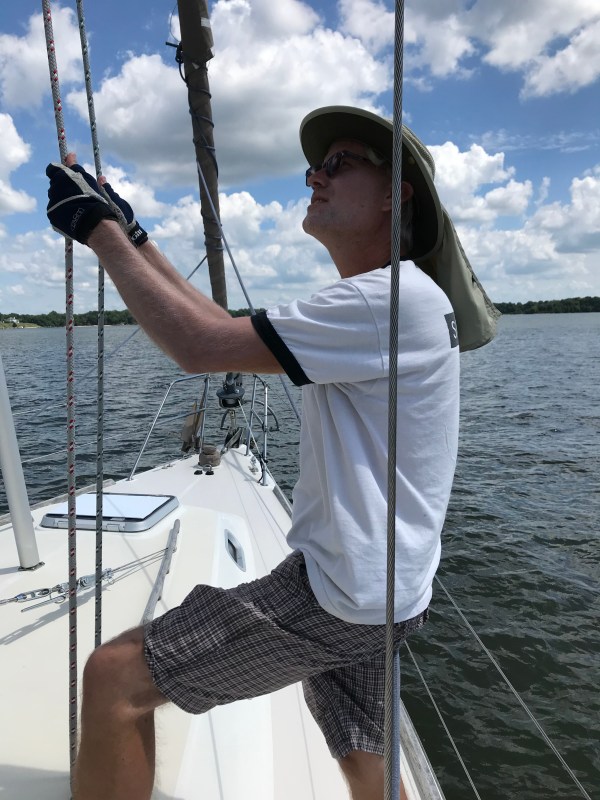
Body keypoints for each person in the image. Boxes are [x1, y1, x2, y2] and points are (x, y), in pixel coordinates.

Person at [46, 106, 461, 800]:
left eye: (339, 164)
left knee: (114, 681)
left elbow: (197, 346)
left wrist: (97, 230)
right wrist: (135, 236)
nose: (315, 177)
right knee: (364, 747)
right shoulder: (399, 296)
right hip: (389, 589)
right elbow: (219, 327)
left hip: (345, 593)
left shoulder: (382, 301)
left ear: (398, 195)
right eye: (315, 166)